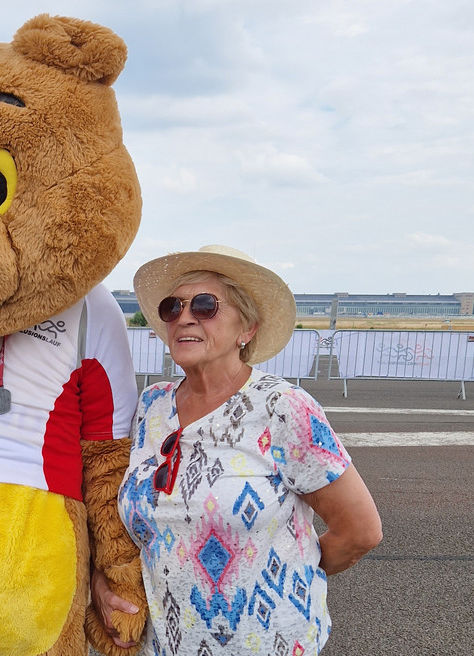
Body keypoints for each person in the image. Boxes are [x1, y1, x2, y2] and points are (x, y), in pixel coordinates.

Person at [94, 245, 383, 655]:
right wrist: (101, 583)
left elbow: (361, 531)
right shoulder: (151, 406)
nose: (185, 317)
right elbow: (124, 520)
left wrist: (289, 573)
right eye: (172, 307)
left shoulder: (282, 408)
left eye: (206, 305)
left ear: (246, 329)